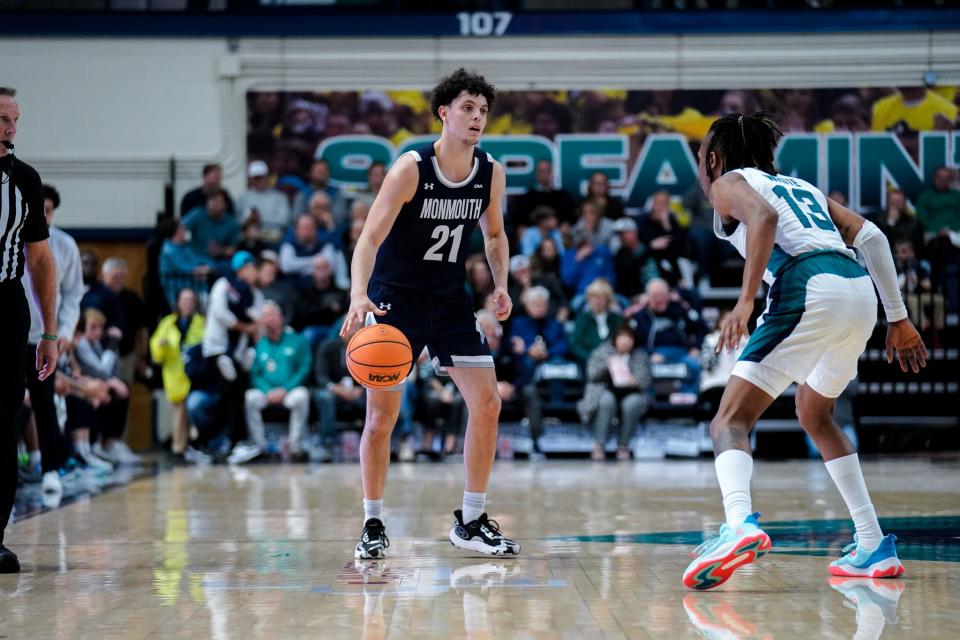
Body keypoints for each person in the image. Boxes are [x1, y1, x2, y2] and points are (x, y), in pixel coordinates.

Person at [681, 111, 926, 590]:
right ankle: (872, 542)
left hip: (808, 285)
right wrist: (898, 316)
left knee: (729, 420)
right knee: (815, 412)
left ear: (712, 158)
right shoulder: (803, 187)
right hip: (858, 291)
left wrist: (745, 301)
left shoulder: (727, 182)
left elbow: (763, 217)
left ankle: (738, 526)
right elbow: (871, 236)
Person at [339, 69, 519, 559]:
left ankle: (472, 519)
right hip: (394, 299)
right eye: (467, 108)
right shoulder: (411, 168)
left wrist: (501, 285)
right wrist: (358, 295)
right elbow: (369, 239)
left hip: (449, 300)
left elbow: (496, 235)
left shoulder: (490, 172)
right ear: (444, 113)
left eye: (482, 111)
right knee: (382, 418)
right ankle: (373, 522)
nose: (477, 117)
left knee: (487, 404)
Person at [0, 87, 59, 574]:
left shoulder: (24, 180)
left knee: (4, 423)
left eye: (15, 119)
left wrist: (50, 332)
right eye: (3, 119)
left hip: (5, 308)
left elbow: (40, 260)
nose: (12, 129)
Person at [21, 184, 83, 494]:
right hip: (11, 336)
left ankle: (51, 468)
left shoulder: (64, 245)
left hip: (43, 339)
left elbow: (73, 294)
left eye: (48, 210)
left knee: (45, 404)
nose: (43, 215)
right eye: (38, 209)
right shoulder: (13, 238)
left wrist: (65, 332)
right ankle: (24, 463)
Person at [237, 302, 311, 464]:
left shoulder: (297, 340)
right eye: (264, 317)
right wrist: (267, 390)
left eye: (271, 315)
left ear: (280, 317)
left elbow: (304, 368)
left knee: (302, 396)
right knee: (250, 397)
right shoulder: (258, 344)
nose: (268, 320)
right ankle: (259, 447)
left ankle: (295, 447)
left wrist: (285, 389)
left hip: (289, 391)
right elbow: (254, 374)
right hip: (267, 393)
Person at [578, 324, 651, 461]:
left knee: (633, 403)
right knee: (606, 402)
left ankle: (623, 445)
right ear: (615, 339)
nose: (625, 341)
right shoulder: (603, 352)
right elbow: (592, 374)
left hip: (631, 392)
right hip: (604, 389)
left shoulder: (639, 355)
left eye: (629, 337)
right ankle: (599, 445)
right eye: (622, 337)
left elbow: (645, 380)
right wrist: (609, 367)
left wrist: (634, 380)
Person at [150, 288, 205, 461]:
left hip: (195, 373)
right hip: (175, 373)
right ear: (178, 302)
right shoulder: (168, 322)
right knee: (178, 412)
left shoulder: (201, 322)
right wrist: (162, 345)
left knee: (195, 409)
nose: (187, 303)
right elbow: (155, 350)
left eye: (191, 300)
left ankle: (196, 445)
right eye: (184, 300)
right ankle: (178, 447)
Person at [238, 160, 292, 245]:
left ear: (267, 177)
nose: (258, 181)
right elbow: (236, 220)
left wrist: (261, 218)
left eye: (260, 177)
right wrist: (248, 220)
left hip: (271, 236)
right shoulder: (243, 198)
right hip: (248, 237)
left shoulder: (280, 197)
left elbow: (284, 220)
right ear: (251, 179)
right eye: (255, 178)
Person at [570, 278, 622, 365]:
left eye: (601, 298)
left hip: (614, 362)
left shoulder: (616, 319)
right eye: (593, 298)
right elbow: (576, 346)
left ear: (608, 300)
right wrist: (591, 358)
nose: (597, 301)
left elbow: (621, 340)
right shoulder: (582, 319)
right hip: (589, 361)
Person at [182, 189, 240, 263]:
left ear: (226, 205)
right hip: (195, 258)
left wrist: (221, 251)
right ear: (207, 202)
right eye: (212, 200)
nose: (215, 204)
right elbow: (180, 228)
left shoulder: (232, 224)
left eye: (219, 201)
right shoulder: (197, 214)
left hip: (219, 262)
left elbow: (233, 249)